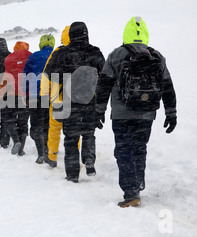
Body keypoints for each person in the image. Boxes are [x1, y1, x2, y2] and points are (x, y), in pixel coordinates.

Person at [95, 16, 177, 207]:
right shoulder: (156, 56)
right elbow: (167, 86)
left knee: (124, 151)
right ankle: (137, 183)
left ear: (126, 33)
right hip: (146, 113)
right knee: (139, 148)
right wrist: (171, 112)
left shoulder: (116, 54)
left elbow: (104, 85)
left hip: (122, 114)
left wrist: (99, 111)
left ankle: (131, 192)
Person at [51, 22, 105, 183]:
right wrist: (101, 105)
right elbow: (105, 77)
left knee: (71, 139)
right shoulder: (95, 52)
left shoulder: (63, 53)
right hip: (90, 101)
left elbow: (51, 75)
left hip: (69, 102)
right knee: (89, 133)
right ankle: (89, 159)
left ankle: (73, 174)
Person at [40, 26, 71, 167]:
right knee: (73, 130)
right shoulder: (83, 52)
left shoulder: (57, 53)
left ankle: (52, 156)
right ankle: (74, 155)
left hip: (56, 98)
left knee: (54, 128)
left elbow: (46, 75)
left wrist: (44, 95)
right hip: (76, 99)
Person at [23, 35, 54, 163]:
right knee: (48, 124)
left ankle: (41, 152)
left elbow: (25, 76)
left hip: (35, 95)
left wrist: (25, 93)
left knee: (36, 124)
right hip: (52, 95)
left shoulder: (34, 56)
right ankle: (48, 151)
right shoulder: (56, 55)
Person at [0, 41, 32, 156]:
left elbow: (5, 77)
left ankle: (15, 140)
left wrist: (0, 94)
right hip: (25, 96)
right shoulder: (30, 57)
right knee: (23, 123)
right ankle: (21, 149)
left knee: (9, 120)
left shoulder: (10, 60)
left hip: (11, 95)